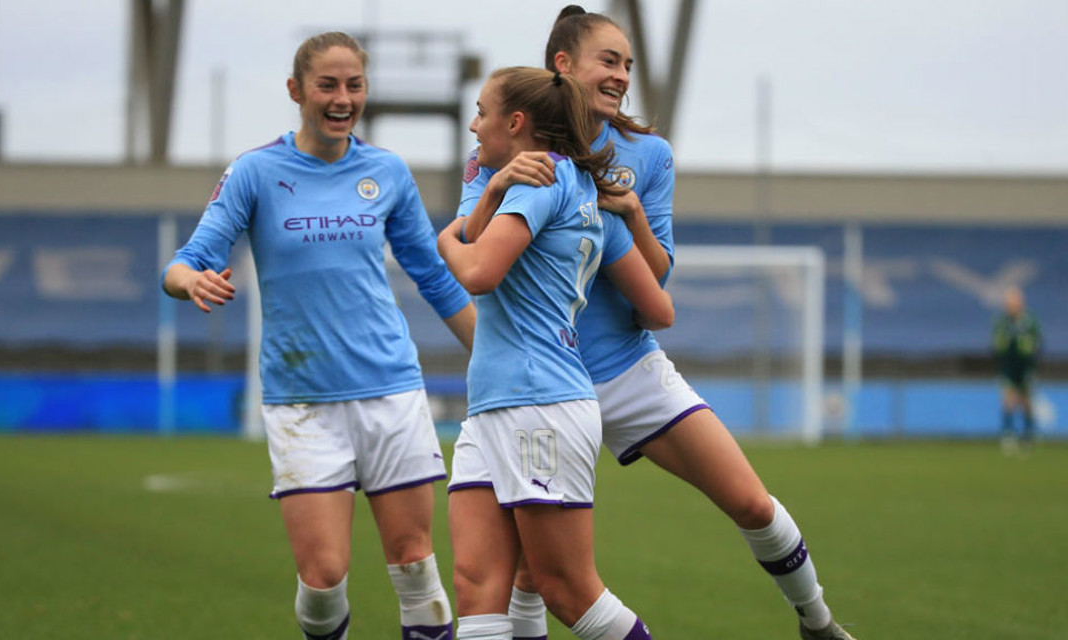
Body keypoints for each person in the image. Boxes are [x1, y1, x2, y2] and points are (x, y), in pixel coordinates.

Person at [459, 7, 859, 639]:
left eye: (627, 65)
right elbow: (482, 254)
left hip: (619, 367)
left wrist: (631, 216)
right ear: (563, 65)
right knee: (527, 577)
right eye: (608, 61)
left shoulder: (645, 156)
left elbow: (657, 290)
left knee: (750, 501)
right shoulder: (514, 157)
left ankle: (818, 620)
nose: (621, 76)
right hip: (540, 381)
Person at [161, 31, 475, 640]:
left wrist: (489, 351)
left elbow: (434, 277)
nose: (342, 98)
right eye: (327, 85)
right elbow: (187, 259)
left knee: (415, 566)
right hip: (302, 400)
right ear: (296, 90)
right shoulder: (256, 172)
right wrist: (188, 282)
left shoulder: (385, 171)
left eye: (354, 85)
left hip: (390, 389)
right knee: (324, 577)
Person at [438, 66, 674, 640]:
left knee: (568, 591)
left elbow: (477, 270)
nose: (474, 125)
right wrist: (492, 191)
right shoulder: (571, 188)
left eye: (481, 112)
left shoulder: (541, 184)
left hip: (538, 405)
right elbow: (660, 311)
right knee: (475, 587)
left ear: (514, 123)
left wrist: (443, 238)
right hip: (496, 405)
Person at [993, 285, 1042, 455]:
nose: (1012, 305)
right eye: (1009, 302)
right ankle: (1008, 436)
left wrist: (1028, 348)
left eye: (1014, 301)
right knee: (1008, 400)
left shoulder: (1029, 321)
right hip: (1008, 367)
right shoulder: (1002, 322)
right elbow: (996, 344)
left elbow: (1037, 342)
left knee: (1026, 401)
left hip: (1025, 367)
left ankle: (1028, 435)